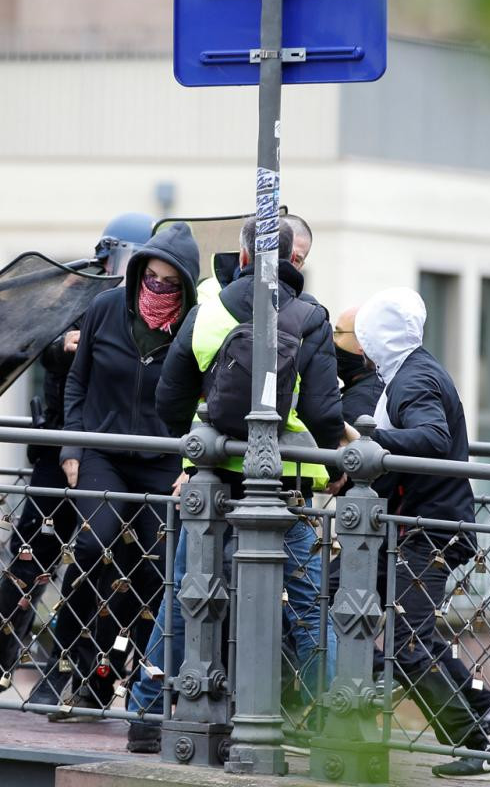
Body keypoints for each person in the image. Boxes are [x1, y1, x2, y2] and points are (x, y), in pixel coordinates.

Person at [129, 217, 342, 753]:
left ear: (243, 257)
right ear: (294, 262)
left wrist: (200, 445)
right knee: (308, 602)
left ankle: (147, 713)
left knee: (185, 595)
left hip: (213, 483)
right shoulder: (309, 317)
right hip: (284, 488)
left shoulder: (208, 310)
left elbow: (169, 399)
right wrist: (338, 464)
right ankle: (339, 721)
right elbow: (320, 409)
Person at [0, 212, 156, 706]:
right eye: (119, 261)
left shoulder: (147, 311)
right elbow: (34, 341)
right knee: (29, 561)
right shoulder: (78, 295)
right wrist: (67, 343)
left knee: (100, 572)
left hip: (107, 457)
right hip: (58, 450)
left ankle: (69, 679)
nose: (123, 273)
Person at [355, 288, 490, 781]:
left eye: (362, 337)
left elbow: (432, 438)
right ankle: (487, 712)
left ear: (377, 338)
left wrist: (368, 440)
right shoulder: (410, 372)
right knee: (337, 594)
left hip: (429, 527)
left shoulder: (414, 379)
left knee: (407, 641)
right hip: (421, 522)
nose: (359, 349)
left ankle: (479, 741)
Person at [48, 222, 200, 719]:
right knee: (94, 544)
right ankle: (73, 657)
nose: (157, 291)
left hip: (165, 463)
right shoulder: (104, 308)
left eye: (169, 284)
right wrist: (73, 445)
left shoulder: (195, 326)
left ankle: (145, 686)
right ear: (138, 273)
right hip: (103, 453)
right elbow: (78, 382)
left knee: (161, 568)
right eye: (150, 279)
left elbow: (210, 399)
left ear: (186, 287)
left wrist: (194, 463)